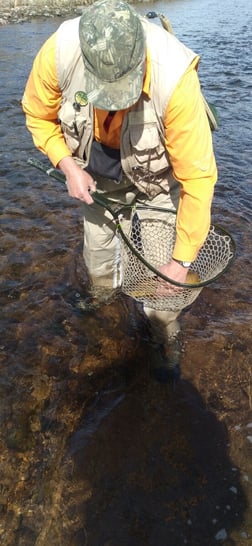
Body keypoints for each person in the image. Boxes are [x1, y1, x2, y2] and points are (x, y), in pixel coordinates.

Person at [22, 0, 217, 382]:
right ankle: (104, 311)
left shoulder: (175, 78)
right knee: (99, 273)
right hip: (96, 179)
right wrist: (66, 164)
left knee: (164, 298)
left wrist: (180, 263)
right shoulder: (58, 51)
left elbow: (197, 180)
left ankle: (165, 339)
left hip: (158, 183)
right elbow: (37, 116)